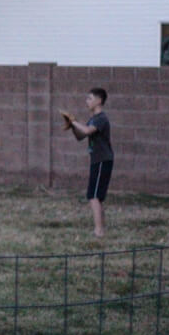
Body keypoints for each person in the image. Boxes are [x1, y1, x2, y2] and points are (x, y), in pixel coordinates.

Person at [62, 88, 113, 237]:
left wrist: (74, 121)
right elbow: (80, 136)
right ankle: (101, 229)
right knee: (96, 196)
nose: (87, 101)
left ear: (99, 101)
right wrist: (72, 126)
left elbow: (87, 131)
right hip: (97, 160)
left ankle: (99, 231)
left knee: (93, 196)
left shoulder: (101, 118)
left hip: (103, 160)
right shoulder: (93, 119)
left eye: (90, 98)